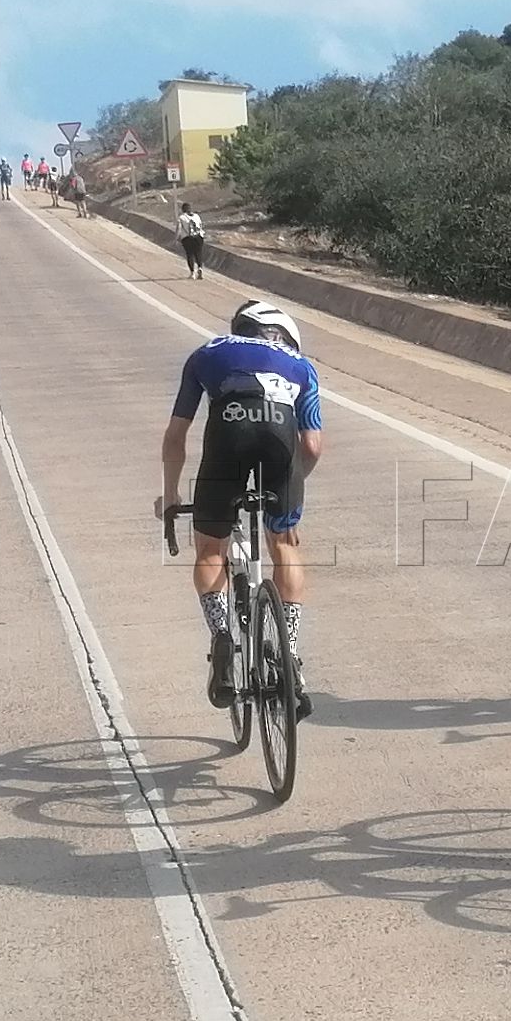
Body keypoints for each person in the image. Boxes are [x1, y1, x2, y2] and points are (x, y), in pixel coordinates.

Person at [158, 300, 324, 717]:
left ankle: (221, 638)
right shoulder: (301, 365)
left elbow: (177, 434)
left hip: (227, 436)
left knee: (211, 549)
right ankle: (290, 655)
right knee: (284, 545)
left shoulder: (207, 352)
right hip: (280, 445)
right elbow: (312, 446)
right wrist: (291, 496)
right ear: (283, 335)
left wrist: (171, 493)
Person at [178, 202, 207, 279]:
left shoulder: (181, 217)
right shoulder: (197, 216)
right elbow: (200, 225)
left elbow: (179, 228)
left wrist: (177, 238)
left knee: (190, 254)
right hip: (199, 237)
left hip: (187, 238)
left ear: (182, 209)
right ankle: (200, 268)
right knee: (198, 253)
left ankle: (192, 273)